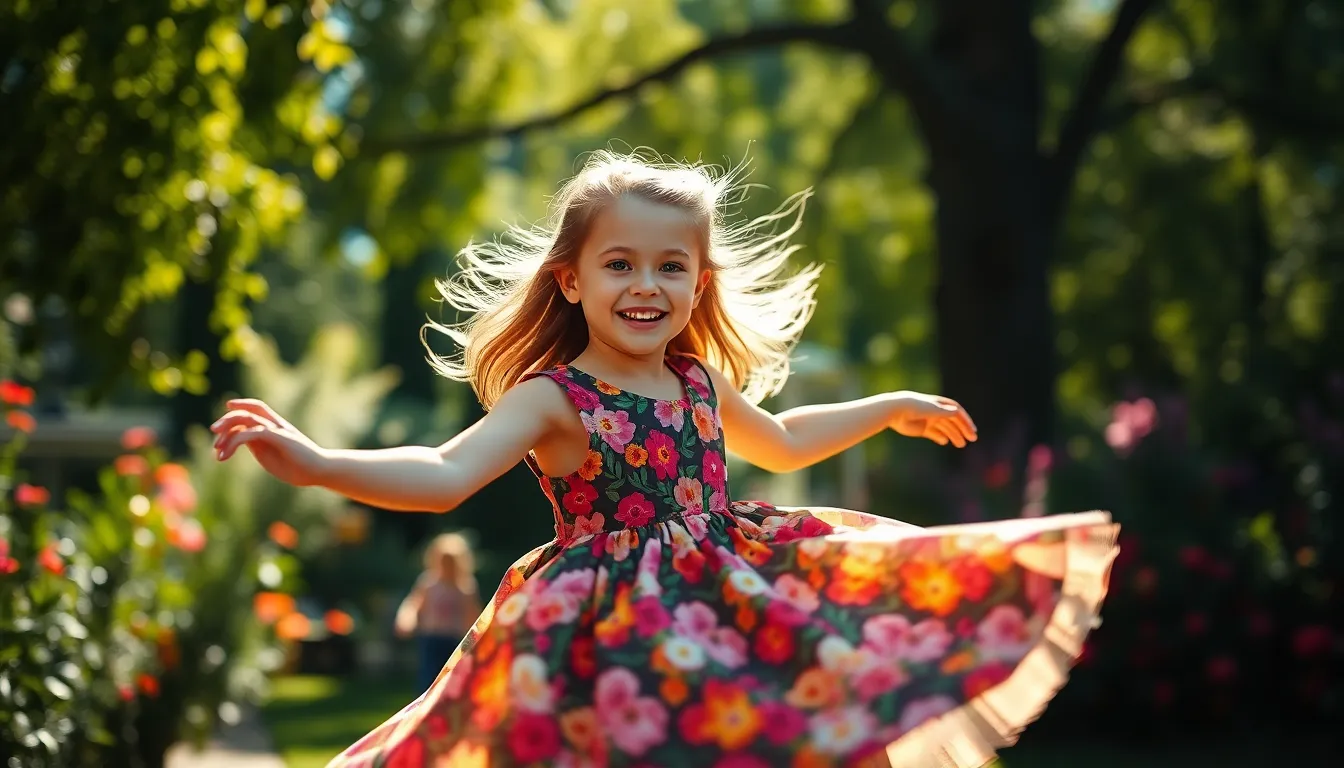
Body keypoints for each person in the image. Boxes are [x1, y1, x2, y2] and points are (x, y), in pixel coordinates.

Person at [211, 149, 1119, 768]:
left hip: (733, 597)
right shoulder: (553, 397)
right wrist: (320, 462)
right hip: (614, 627)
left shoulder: (694, 381)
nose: (646, 286)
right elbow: (447, 474)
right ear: (572, 279)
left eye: (670, 268)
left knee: (794, 721)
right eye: (619, 265)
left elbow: (787, 437)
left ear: (699, 281)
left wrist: (886, 409)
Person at [395, 532, 482, 694]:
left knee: (453, 679)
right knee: (428, 677)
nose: (447, 566)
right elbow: (413, 603)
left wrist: (477, 638)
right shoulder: (429, 582)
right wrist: (406, 619)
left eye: (451, 562)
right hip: (431, 638)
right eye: (444, 561)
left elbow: (473, 614)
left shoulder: (465, 586)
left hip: (455, 640)